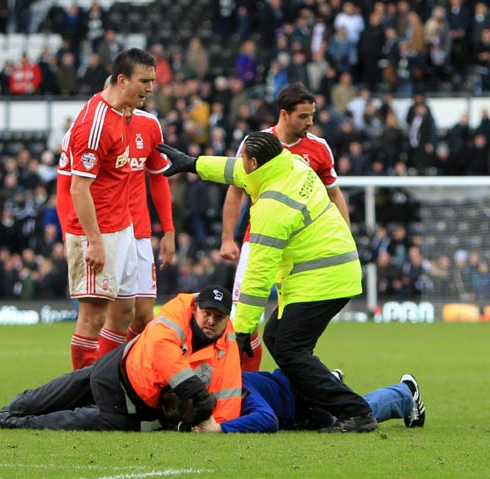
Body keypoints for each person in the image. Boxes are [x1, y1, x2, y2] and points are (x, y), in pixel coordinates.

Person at [157, 132, 376, 433]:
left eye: (245, 160)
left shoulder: (272, 207)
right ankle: (316, 406)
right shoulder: (290, 164)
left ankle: (356, 411)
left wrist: (242, 330)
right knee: (276, 338)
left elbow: (257, 277)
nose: (241, 166)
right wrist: (193, 164)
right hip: (329, 271)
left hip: (325, 279)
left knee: (290, 349)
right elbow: (234, 169)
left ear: (255, 163)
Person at [0, 285, 242, 431]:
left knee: (48, 422)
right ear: (195, 309)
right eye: (207, 313)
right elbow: (161, 349)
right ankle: (0, 411)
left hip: (130, 413)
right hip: (111, 372)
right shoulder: (178, 307)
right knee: (32, 400)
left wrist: (217, 425)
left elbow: (229, 393)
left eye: (218, 317)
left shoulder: (227, 342)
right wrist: (195, 392)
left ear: (226, 319)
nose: (210, 320)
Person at [220, 83, 350, 371]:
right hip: (261, 241)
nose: (310, 123)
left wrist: (345, 236)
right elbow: (234, 191)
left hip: (301, 251)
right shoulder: (255, 144)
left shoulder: (319, 148)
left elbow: (334, 194)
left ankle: (306, 381)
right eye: (303, 116)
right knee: (243, 315)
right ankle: (244, 384)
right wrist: (228, 238)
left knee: (291, 325)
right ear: (284, 114)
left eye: (311, 115)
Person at [65, 48, 155, 370]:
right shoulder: (94, 124)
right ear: (122, 80)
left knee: (127, 312)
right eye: (144, 81)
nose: (150, 88)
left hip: (123, 227)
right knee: (92, 318)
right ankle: (81, 394)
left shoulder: (124, 114)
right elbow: (78, 187)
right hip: (98, 231)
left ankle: (110, 383)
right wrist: (95, 241)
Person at [196, 370, 426, 433]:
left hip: (302, 401)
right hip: (294, 398)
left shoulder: (237, 387)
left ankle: (405, 394)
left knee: (353, 417)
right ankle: (330, 382)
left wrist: (220, 428)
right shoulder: (219, 386)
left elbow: (268, 419)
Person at [123, 107, 175, 342]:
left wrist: (169, 231)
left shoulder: (149, 124)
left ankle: (127, 372)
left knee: (143, 316)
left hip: (139, 231)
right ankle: (102, 377)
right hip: (107, 231)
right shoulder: (96, 123)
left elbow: (159, 177)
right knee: (112, 315)